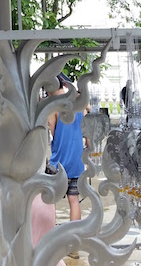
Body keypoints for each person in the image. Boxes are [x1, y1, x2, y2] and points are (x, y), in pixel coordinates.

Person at [47, 74, 86, 226]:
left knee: (51, 200)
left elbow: (51, 129)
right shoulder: (79, 105)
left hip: (59, 161)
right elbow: (86, 130)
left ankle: (50, 237)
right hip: (77, 160)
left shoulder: (54, 107)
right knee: (74, 200)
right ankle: (74, 240)